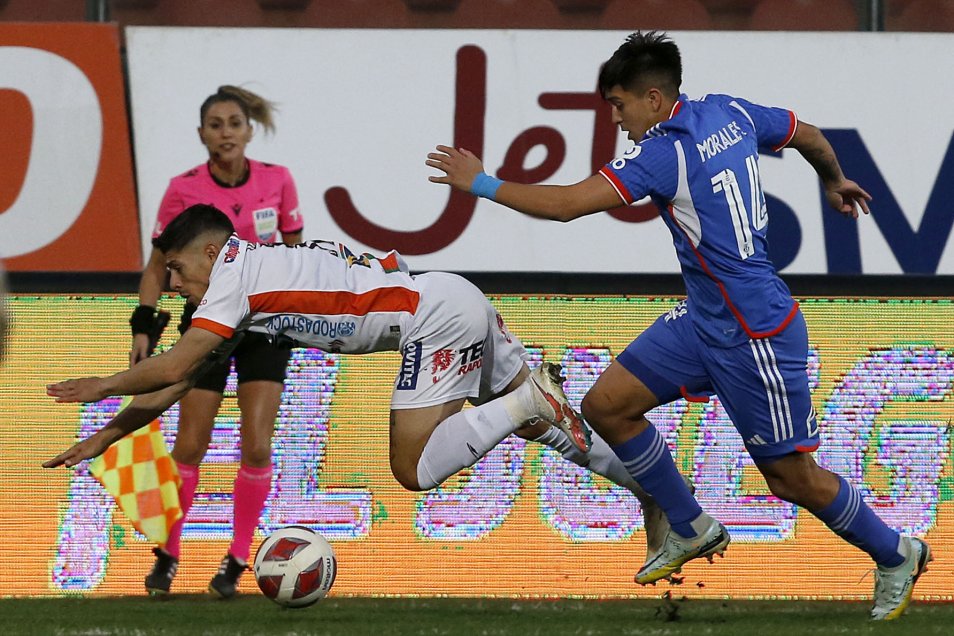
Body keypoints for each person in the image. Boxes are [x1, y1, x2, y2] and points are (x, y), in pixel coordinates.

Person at [425, 31, 931, 621]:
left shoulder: (664, 152)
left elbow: (565, 205)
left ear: (655, 98)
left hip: (753, 333)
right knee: (607, 404)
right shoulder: (731, 111)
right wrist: (832, 179)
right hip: (703, 319)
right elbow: (810, 136)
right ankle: (689, 524)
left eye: (619, 106)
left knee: (792, 480)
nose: (617, 121)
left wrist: (479, 183)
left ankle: (896, 551)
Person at [44, 204, 674, 580]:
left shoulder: (232, 277)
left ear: (211, 250)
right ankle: (658, 494)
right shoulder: (254, 277)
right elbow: (181, 378)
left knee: (412, 467)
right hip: (452, 297)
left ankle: (523, 402)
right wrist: (103, 436)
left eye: (176, 269)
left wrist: (99, 385)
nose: (174, 282)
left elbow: (168, 365)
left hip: (434, 319)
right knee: (561, 434)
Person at [128, 86, 304, 598]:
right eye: (215, 124)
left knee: (256, 443)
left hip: (264, 327)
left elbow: (294, 256)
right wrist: (144, 324)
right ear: (201, 133)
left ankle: (236, 559)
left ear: (249, 131)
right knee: (191, 442)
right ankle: (168, 554)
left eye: (234, 123)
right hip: (204, 324)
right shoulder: (182, 188)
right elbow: (159, 266)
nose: (225, 133)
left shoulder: (279, 181)